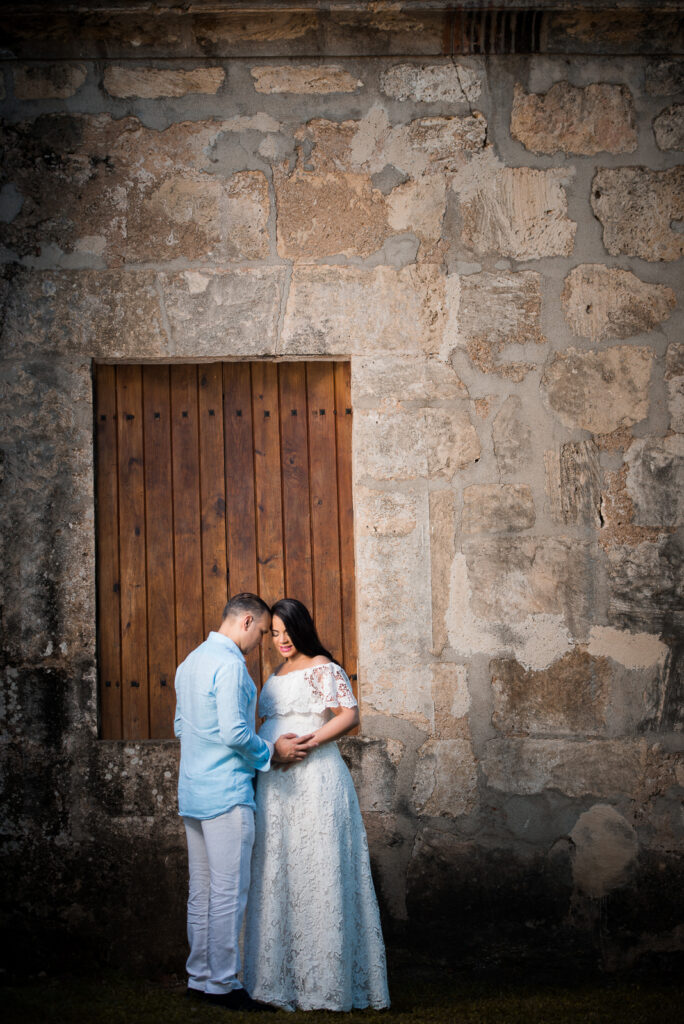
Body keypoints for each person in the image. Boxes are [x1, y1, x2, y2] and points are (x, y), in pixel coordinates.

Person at [243, 598, 390, 1012]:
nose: (281, 639)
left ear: (300, 628)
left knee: (319, 868)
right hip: (275, 786)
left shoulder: (325, 667)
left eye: (287, 631)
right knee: (279, 869)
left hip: (317, 779)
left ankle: (326, 983)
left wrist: (309, 742)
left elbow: (351, 714)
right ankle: (276, 979)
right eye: (273, 633)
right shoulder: (273, 675)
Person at [174, 593, 317, 1011]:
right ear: (248, 621)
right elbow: (236, 733)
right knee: (228, 892)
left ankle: (198, 978)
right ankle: (223, 985)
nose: (261, 642)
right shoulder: (231, 665)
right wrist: (271, 752)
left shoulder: (189, 663)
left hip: (192, 792)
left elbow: (181, 726)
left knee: (200, 893)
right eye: (262, 632)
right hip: (226, 795)